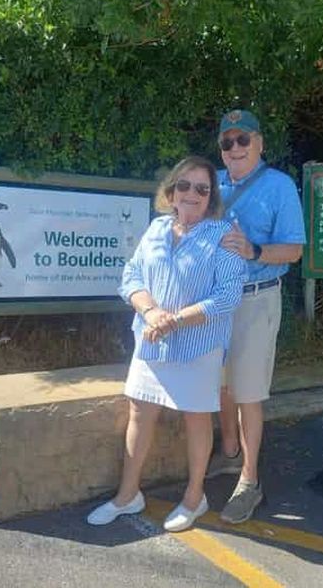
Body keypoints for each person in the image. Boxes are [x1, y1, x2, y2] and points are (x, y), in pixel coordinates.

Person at [86, 156, 246, 532]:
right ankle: (128, 496)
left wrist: (174, 320)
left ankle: (194, 497)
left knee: (196, 419)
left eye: (202, 189)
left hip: (198, 347)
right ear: (171, 192)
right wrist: (152, 311)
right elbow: (131, 276)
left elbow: (227, 297)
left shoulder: (223, 235)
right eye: (185, 186)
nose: (193, 194)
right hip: (151, 341)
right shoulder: (156, 228)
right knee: (139, 413)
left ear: (211, 197)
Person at [210, 110, 305, 524]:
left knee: (248, 392)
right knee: (219, 383)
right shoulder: (210, 182)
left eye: (242, 140)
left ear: (260, 143)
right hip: (214, 301)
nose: (235, 149)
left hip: (255, 298)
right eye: (227, 142)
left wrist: (253, 251)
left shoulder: (279, 186)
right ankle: (229, 453)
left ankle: (250, 480)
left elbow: (295, 250)